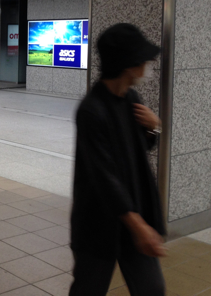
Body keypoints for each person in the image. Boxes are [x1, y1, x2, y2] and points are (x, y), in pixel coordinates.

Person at [70, 23, 166, 296]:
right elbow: (104, 176)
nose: (147, 65)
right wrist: (139, 226)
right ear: (128, 64)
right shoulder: (91, 110)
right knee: (88, 289)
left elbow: (137, 149)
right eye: (143, 59)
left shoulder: (130, 98)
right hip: (98, 223)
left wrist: (154, 128)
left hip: (133, 213)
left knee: (152, 289)